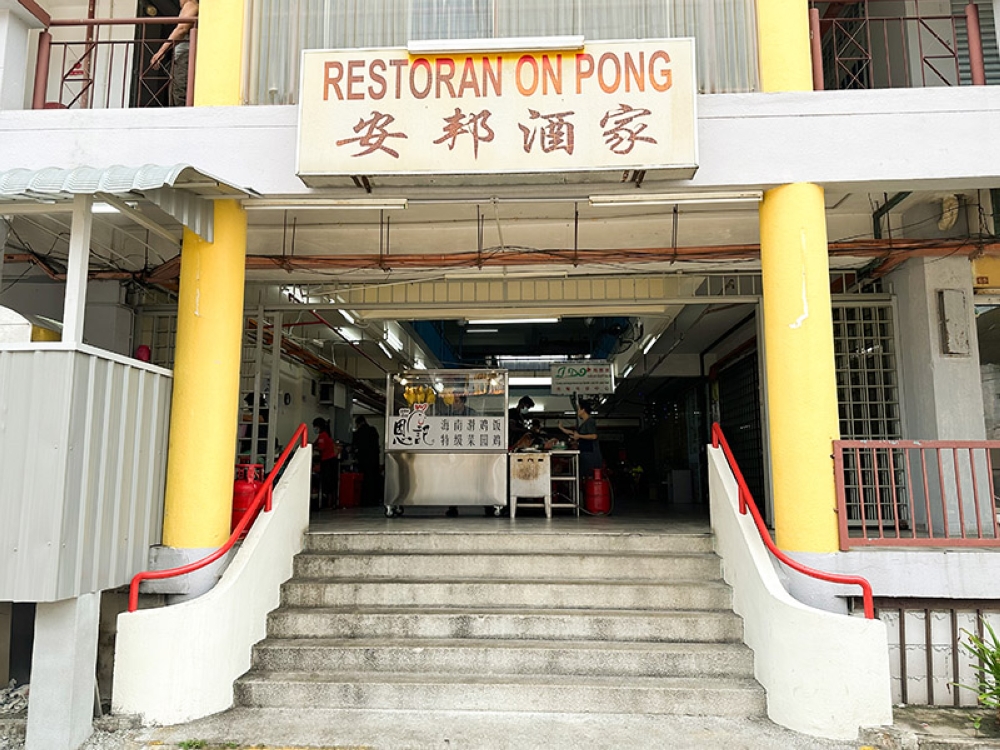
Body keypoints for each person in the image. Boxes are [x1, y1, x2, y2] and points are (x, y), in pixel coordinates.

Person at [150, 0, 199, 107]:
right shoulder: (189, 6)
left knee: (180, 92)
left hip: (185, 58)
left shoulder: (191, 5)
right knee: (176, 91)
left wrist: (161, 51)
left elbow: (181, 29)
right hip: (182, 57)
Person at [560, 399, 602, 480]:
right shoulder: (584, 424)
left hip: (591, 455)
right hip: (585, 454)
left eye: (579, 409)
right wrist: (562, 429)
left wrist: (579, 436)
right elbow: (574, 433)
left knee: (589, 477)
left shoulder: (590, 421)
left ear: (583, 410)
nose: (577, 411)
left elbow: (594, 436)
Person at [352, 415, 381, 505]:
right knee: (374, 479)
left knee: (365, 481)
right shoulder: (373, 430)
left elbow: (355, 445)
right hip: (374, 460)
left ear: (358, 423)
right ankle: (375, 500)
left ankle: (365, 500)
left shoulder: (358, 433)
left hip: (363, 460)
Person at [312, 417, 339, 509]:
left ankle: (329, 503)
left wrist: (313, 448)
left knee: (328, 483)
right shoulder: (325, 435)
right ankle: (332, 503)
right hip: (331, 461)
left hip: (327, 461)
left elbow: (321, 447)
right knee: (331, 483)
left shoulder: (322, 436)